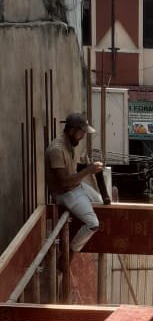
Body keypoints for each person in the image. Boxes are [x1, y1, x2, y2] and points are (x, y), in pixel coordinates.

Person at [45, 112, 104, 268]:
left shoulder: (70, 144)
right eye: (81, 132)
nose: (83, 136)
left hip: (76, 186)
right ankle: (69, 252)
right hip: (64, 193)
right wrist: (89, 171)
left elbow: (72, 172)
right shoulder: (56, 149)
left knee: (101, 204)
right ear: (72, 130)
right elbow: (64, 182)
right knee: (93, 224)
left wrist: (88, 168)